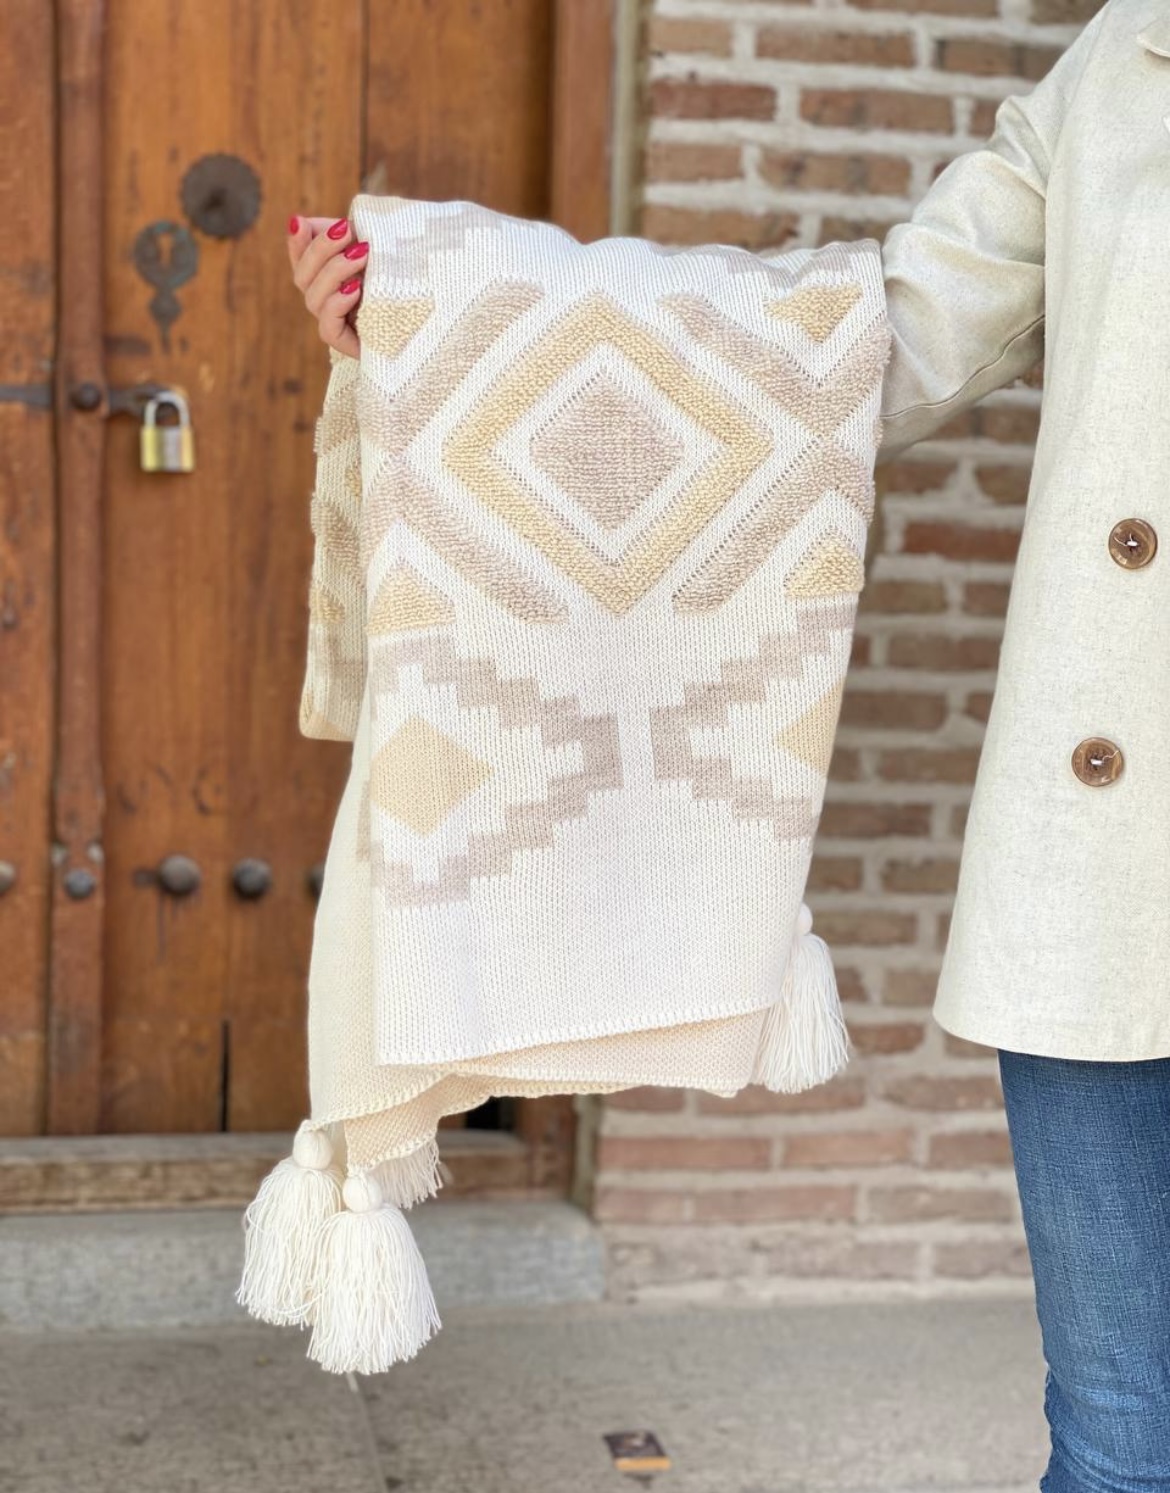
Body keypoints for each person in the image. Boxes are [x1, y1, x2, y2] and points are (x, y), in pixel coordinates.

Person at [285, 3, 1170, 1486]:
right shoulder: (1130, 57)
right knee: (1121, 1438)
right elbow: (870, 335)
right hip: (1122, 861)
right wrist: (443, 326)